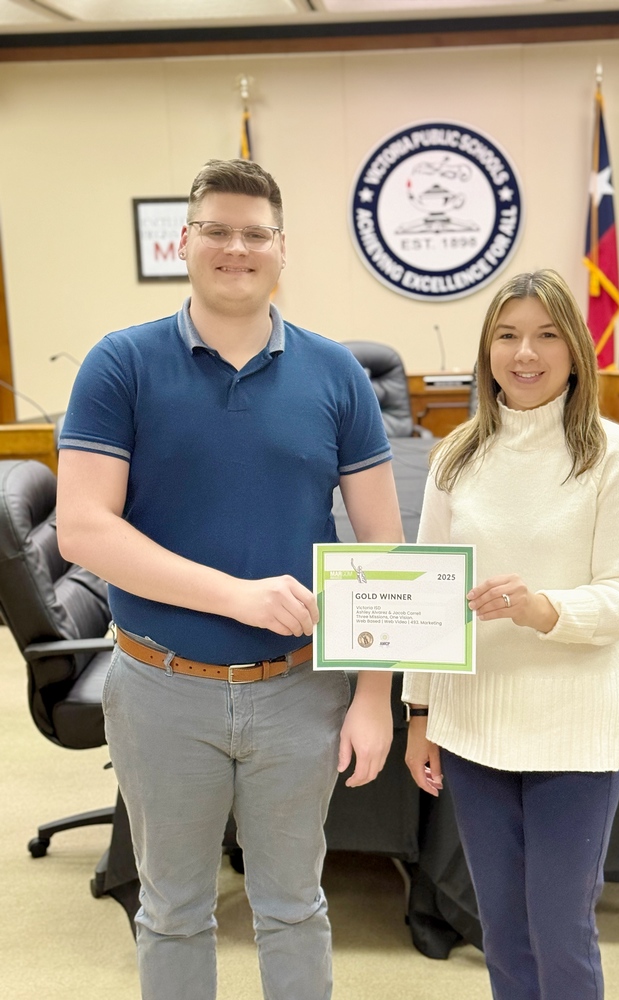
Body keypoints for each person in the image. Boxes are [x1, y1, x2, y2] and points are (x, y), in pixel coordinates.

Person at [56, 158, 403, 1000]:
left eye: (255, 234)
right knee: (173, 910)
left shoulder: (334, 374)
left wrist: (370, 696)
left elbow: (383, 545)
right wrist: (237, 595)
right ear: (186, 241)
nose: (235, 248)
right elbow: (84, 528)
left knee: (293, 906)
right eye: (216, 229)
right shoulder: (120, 365)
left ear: (282, 250)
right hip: (161, 688)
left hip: (299, 693)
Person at [403, 269, 619, 1000]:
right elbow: (427, 595)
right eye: (508, 335)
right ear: (487, 351)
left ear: (576, 350)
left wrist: (543, 608)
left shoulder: (615, 456)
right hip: (476, 723)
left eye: (547, 334)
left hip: (573, 731)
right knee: (505, 934)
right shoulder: (456, 456)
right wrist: (420, 714)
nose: (526, 352)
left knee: (560, 933)